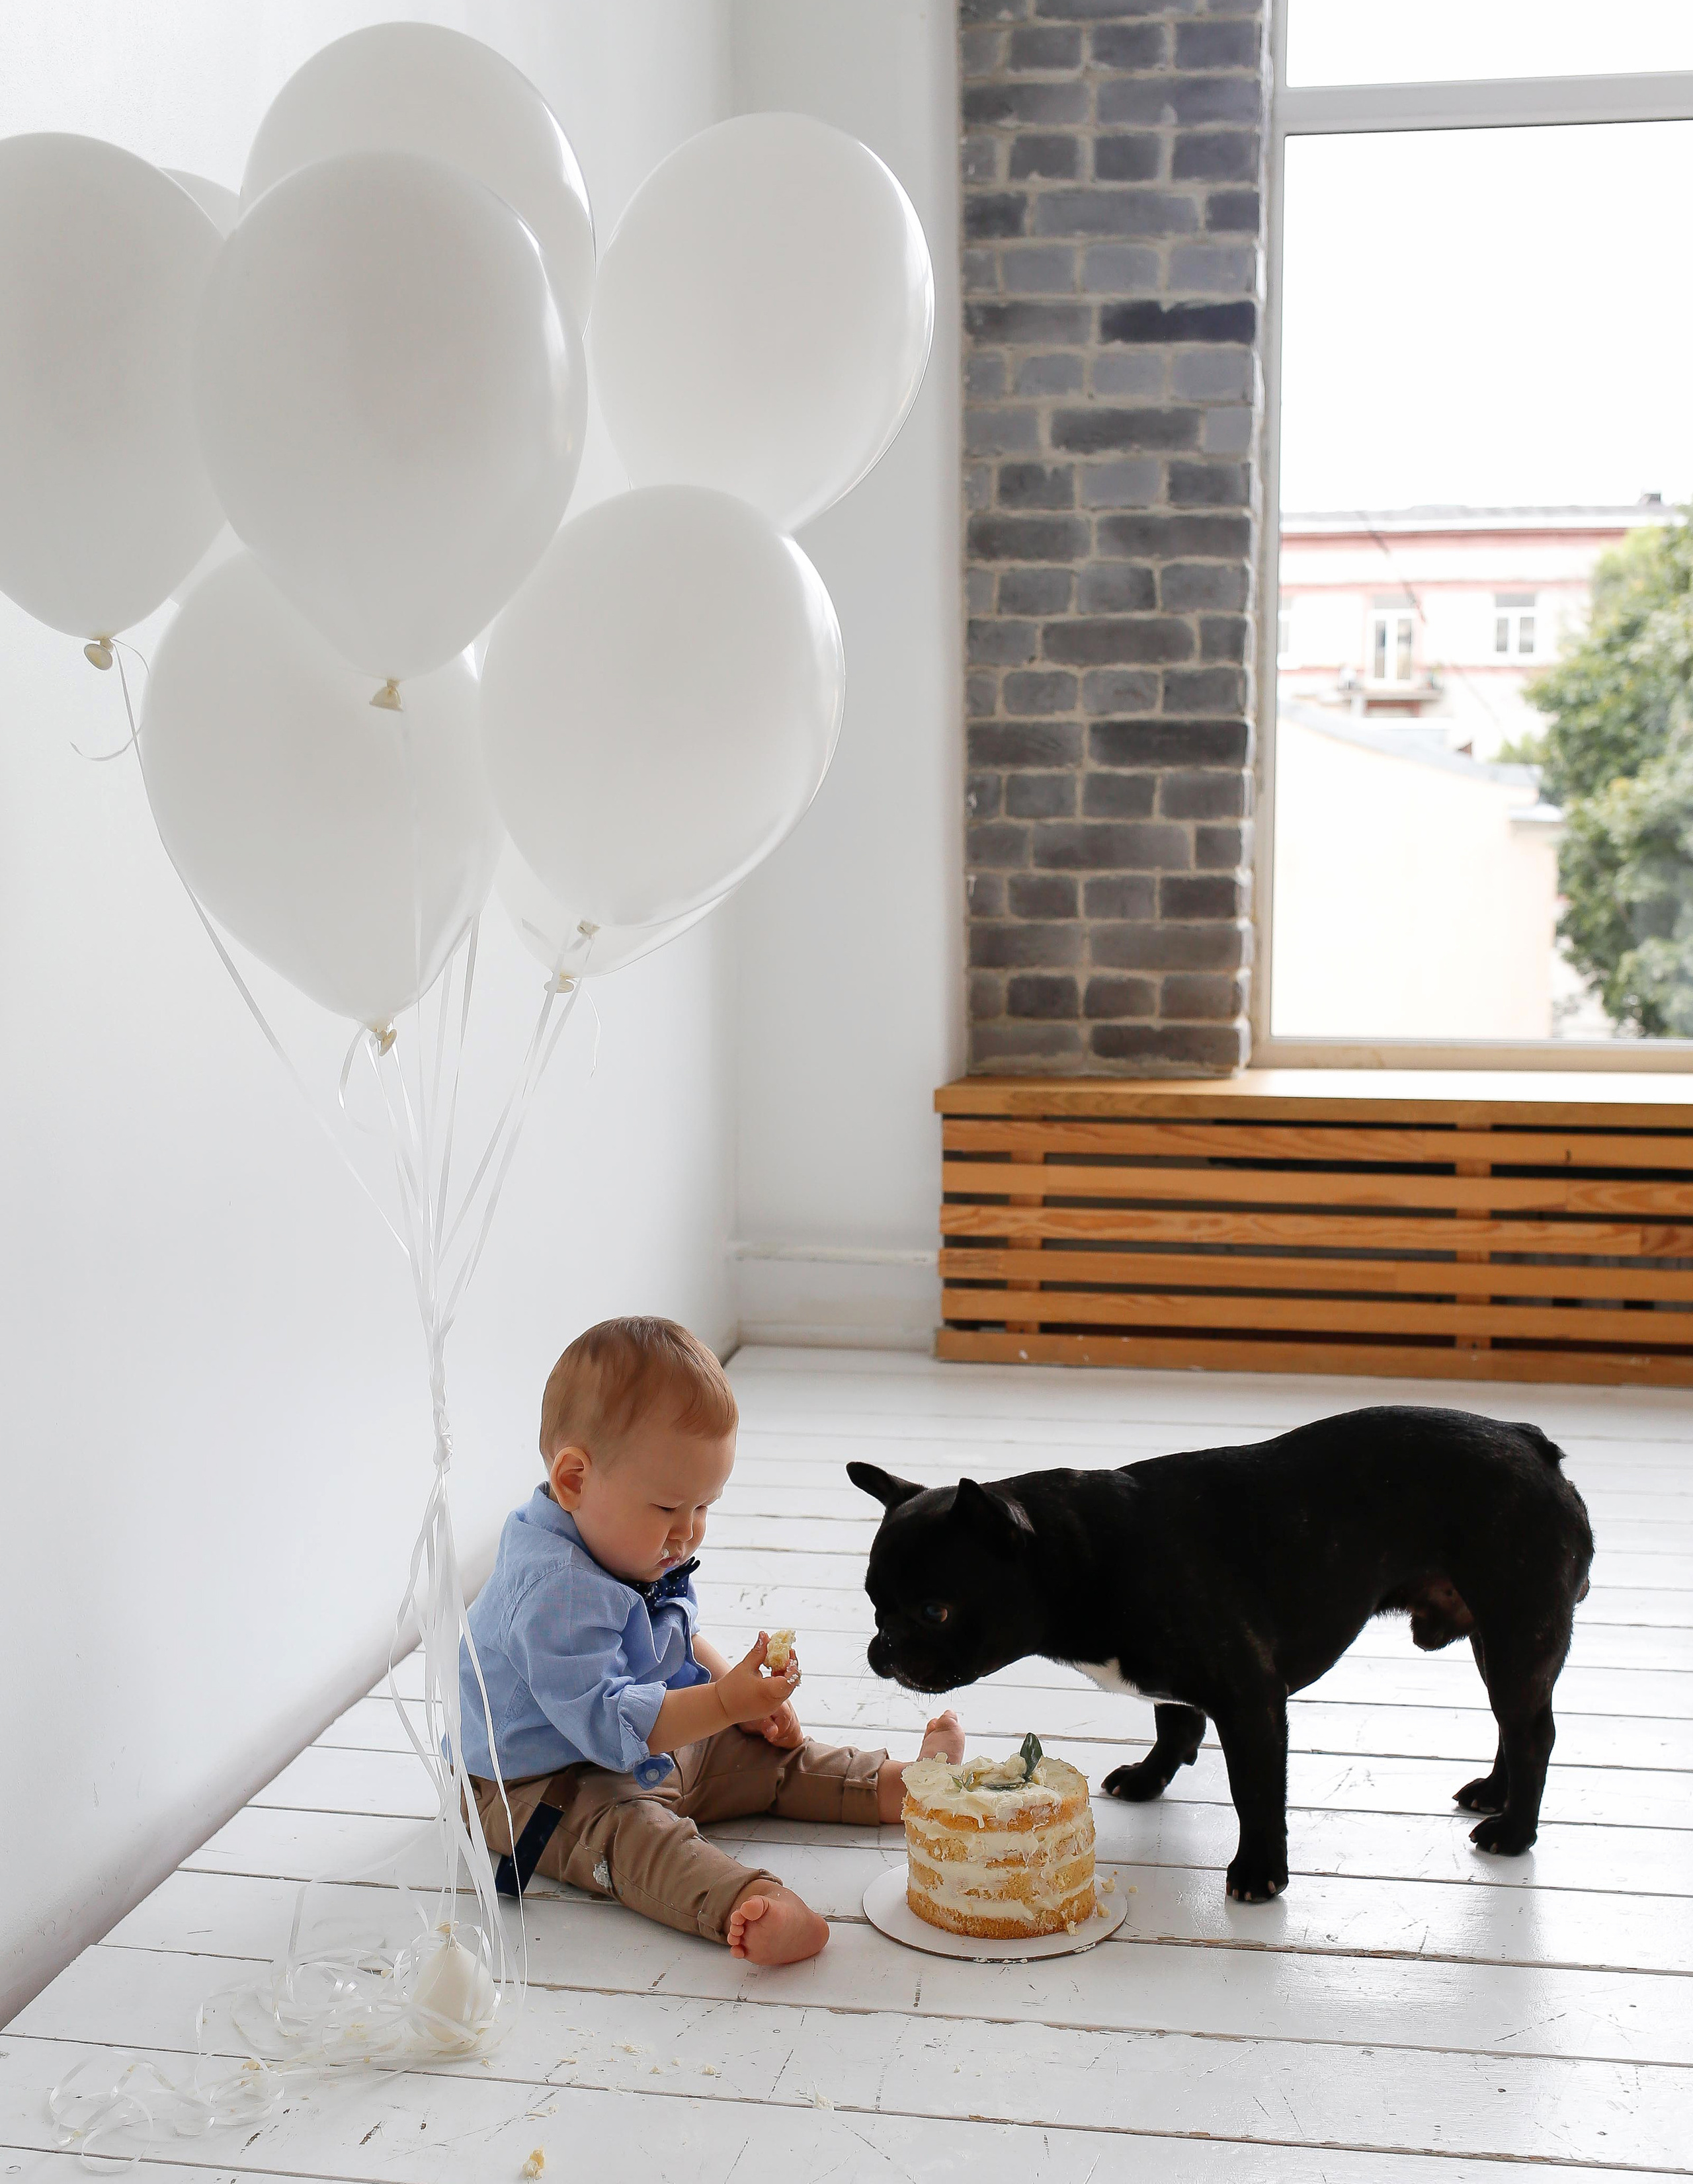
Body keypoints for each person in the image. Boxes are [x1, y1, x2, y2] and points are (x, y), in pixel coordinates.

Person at [460, 1314, 964, 1964]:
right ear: (575, 1480)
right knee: (636, 1841)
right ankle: (744, 1904)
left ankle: (900, 1784)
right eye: (670, 1508)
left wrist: (740, 1699)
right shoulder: (552, 1594)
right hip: (544, 1787)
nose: (688, 1532)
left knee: (768, 1760)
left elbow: (674, 1638)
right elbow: (607, 1724)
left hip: (649, 1741)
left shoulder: (620, 1540)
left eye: (704, 1507)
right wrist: (725, 1702)